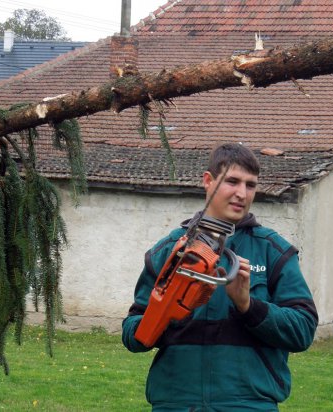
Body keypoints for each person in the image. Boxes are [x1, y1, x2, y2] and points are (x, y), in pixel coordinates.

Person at [122, 143, 318, 411]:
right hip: (176, 403)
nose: (241, 193)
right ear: (208, 181)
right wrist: (166, 308)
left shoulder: (273, 251)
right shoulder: (169, 250)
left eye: (250, 185)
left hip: (248, 405)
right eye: (233, 181)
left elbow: (303, 331)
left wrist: (248, 306)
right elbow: (132, 334)